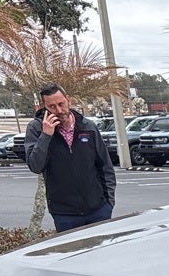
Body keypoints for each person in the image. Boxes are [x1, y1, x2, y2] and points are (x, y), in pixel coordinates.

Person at [23, 83, 116, 232]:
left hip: (98, 210)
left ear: (68, 100)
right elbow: (35, 166)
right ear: (44, 106)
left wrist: (108, 202)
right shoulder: (36, 129)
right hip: (64, 214)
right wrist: (46, 135)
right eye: (52, 106)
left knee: (102, 254)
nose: (59, 110)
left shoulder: (88, 127)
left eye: (61, 104)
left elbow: (105, 166)